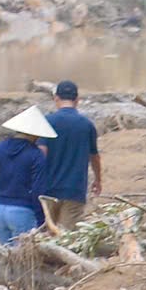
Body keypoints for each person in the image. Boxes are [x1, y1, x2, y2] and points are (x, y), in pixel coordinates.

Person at [0, 108, 55, 248]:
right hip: (22, 211)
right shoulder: (36, 155)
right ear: (36, 134)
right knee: (23, 258)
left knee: (5, 257)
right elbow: (37, 190)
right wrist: (41, 219)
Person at [38, 80, 102, 231]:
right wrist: (98, 180)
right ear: (77, 100)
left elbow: (41, 153)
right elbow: (95, 157)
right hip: (74, 190)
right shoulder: (87, 125)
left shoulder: (47, 121)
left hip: (48, 189)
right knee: (68, 237)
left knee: (46, 233)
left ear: (56, 99)